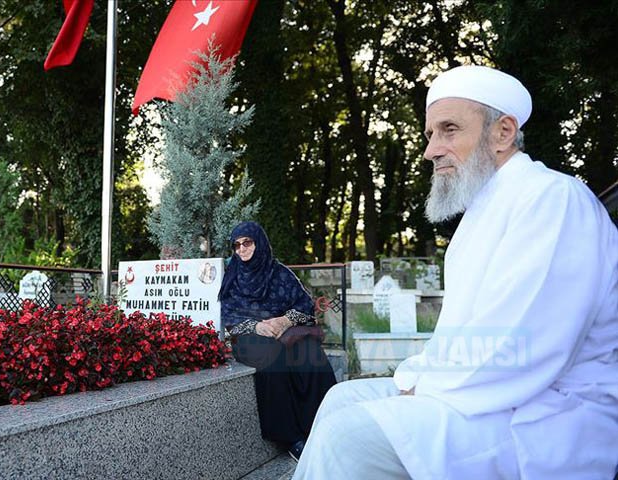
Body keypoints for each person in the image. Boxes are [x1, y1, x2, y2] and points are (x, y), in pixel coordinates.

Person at [293, 65, 618, 479]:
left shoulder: (552, 200)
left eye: (449, 129)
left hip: (548, 413)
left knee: (348, 436)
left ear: (502, 133)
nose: (431, 150)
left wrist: (420, 387)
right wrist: (415, 378)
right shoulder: (482, 213)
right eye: (430, 135)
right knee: (341, 397)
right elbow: (459, 340)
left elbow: (525, 349)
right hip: (490, 395)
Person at [218, 221, 337, 461]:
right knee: (273, 356)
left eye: (247, 242)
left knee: (309, 353)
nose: (242, 249)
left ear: (259, 242)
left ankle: (325, 425)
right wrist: (257, 326)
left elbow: (304, 305)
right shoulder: (233, 277)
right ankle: (291, 438)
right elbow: (228, 317)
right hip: (248, 337)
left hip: (284, 329)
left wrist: (285, 320)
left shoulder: (279, 272)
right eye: (237, 245)